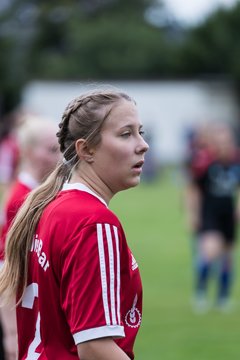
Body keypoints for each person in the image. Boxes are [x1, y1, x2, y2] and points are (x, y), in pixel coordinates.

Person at [0, 89, 149, 359]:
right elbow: (94, 347)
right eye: (126, 134)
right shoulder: (93, 222)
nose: (142, 144)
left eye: (141, 131)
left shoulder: (51, 207)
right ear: (85, 149)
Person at [0, 116, 61, 360]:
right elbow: (7, 265)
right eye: (51, 150)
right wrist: (12, 332)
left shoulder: (32, 192)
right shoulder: (23, 198)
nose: (59, 158)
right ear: (28, 151)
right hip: (14, 302)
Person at [185, 123, 240, 312]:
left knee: (227, 258)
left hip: (228, 216)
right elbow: (193, 190)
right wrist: (192, 214)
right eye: (220, 142)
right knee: (209, 252)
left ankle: (223, 297)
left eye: (227, 141)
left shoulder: (236, 160)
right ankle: (200, 293)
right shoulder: (205, 162)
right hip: (209, 214)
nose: (224, 145)